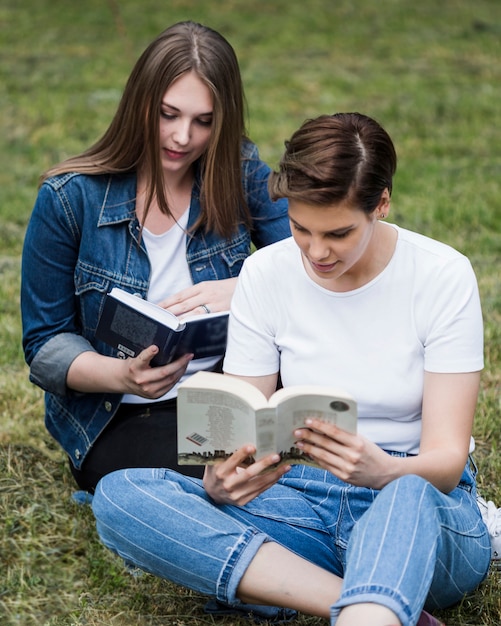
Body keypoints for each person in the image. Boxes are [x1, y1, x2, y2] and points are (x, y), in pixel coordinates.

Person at [91, 112, 492, 626]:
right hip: (302, 500)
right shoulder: (267, 272)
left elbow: (446, 463)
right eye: (301, 228)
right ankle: (369, 605)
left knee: (405, 495)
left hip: (417, 505)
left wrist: (384, 470)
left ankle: (301, 592)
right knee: (123, 497)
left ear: (382, 203)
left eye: (339, 233)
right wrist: (220, 480)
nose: (317, 252)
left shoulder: (442, 276)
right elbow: (237, 422)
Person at [20, 21, 290, 494]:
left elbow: (312, 256)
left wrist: (243, 285)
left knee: (312, 441)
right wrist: (121, 374)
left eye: (203, 121)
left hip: (231, 391)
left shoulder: (237, 170)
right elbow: (45, 346)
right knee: (249, 468)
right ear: (140, 102)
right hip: (121, 413)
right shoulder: (70, 198)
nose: (183, 137)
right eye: (169, 114)